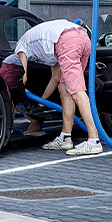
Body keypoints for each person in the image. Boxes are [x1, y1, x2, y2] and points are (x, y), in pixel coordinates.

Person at [10, 19, 102, 155]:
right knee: (64, 87)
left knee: (77, 91)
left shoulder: (20, 46)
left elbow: (23, 77)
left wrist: (17, 95)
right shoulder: (45, 45)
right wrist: (41, 103)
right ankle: (65, 137)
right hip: (82, 38)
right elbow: (56, 78)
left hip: (67, 41)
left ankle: (94, 140)